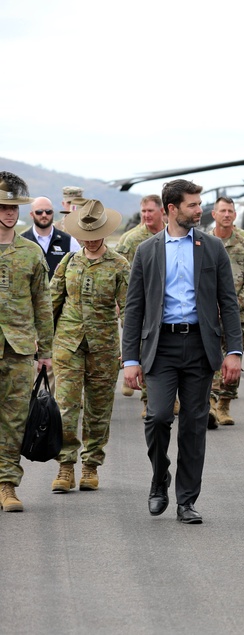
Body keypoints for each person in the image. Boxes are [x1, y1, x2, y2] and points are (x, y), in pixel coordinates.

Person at [121, 179, 243, 525]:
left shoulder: (213, 247)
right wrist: (130, 358)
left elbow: (229, 304)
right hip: (160, 347)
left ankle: (186, 500)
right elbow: (134, 309)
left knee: (193, 425)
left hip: (200, 346)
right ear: (171, 209)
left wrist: (233, 351)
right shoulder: (147, 251)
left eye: (199, 203)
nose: (199, 209)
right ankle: (160, 478)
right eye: (192, 204)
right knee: (158, 416)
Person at [49, 200, 129, 493]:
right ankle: (65, 466)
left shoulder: (119, 265)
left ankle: (91, 466)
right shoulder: (69, 262)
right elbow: (51, 304)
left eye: (96, 233)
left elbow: (129, 309)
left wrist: (131, 352)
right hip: (67, 345)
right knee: (66, 408)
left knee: (98, 410)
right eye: (86, 234)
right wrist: (43, 346)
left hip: (104, 347)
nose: (91, 239)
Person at [0, 171, 54, 512]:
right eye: (3, 206)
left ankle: (7, 484)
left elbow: (42, 304)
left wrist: (46, 351)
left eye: (14, 207)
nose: (9, 213)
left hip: (19, 349)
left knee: (15, 418)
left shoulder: (31, 253)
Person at [208, 196, 244, 427]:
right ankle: (210, 404)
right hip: (208, 315)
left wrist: (237, 303)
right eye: (223, 211)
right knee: (209, 359)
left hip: (236, 315)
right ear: (214, 215)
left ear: (235, 215)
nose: (227, 215)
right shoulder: (204, 241)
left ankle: (225, 404)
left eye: (230, 211)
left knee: (233, 358)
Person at [116, 194, 167, 407]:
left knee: (161, 349)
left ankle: (159, 397)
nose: (146, 215)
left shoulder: (171, 235)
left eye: (150, 211)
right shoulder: (131, 239)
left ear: (162, 212)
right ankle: (149, 401)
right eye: (143, 211)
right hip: (135, 304)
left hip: (162, 305)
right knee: (142, 348)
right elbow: (117, 270)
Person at [21, 196, 80, 278]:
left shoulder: (69, 241)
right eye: (39, 212)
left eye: (48, 211)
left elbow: (78, 272)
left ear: (52, 213)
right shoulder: (21, 241)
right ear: (31, 214)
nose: (44, 215)